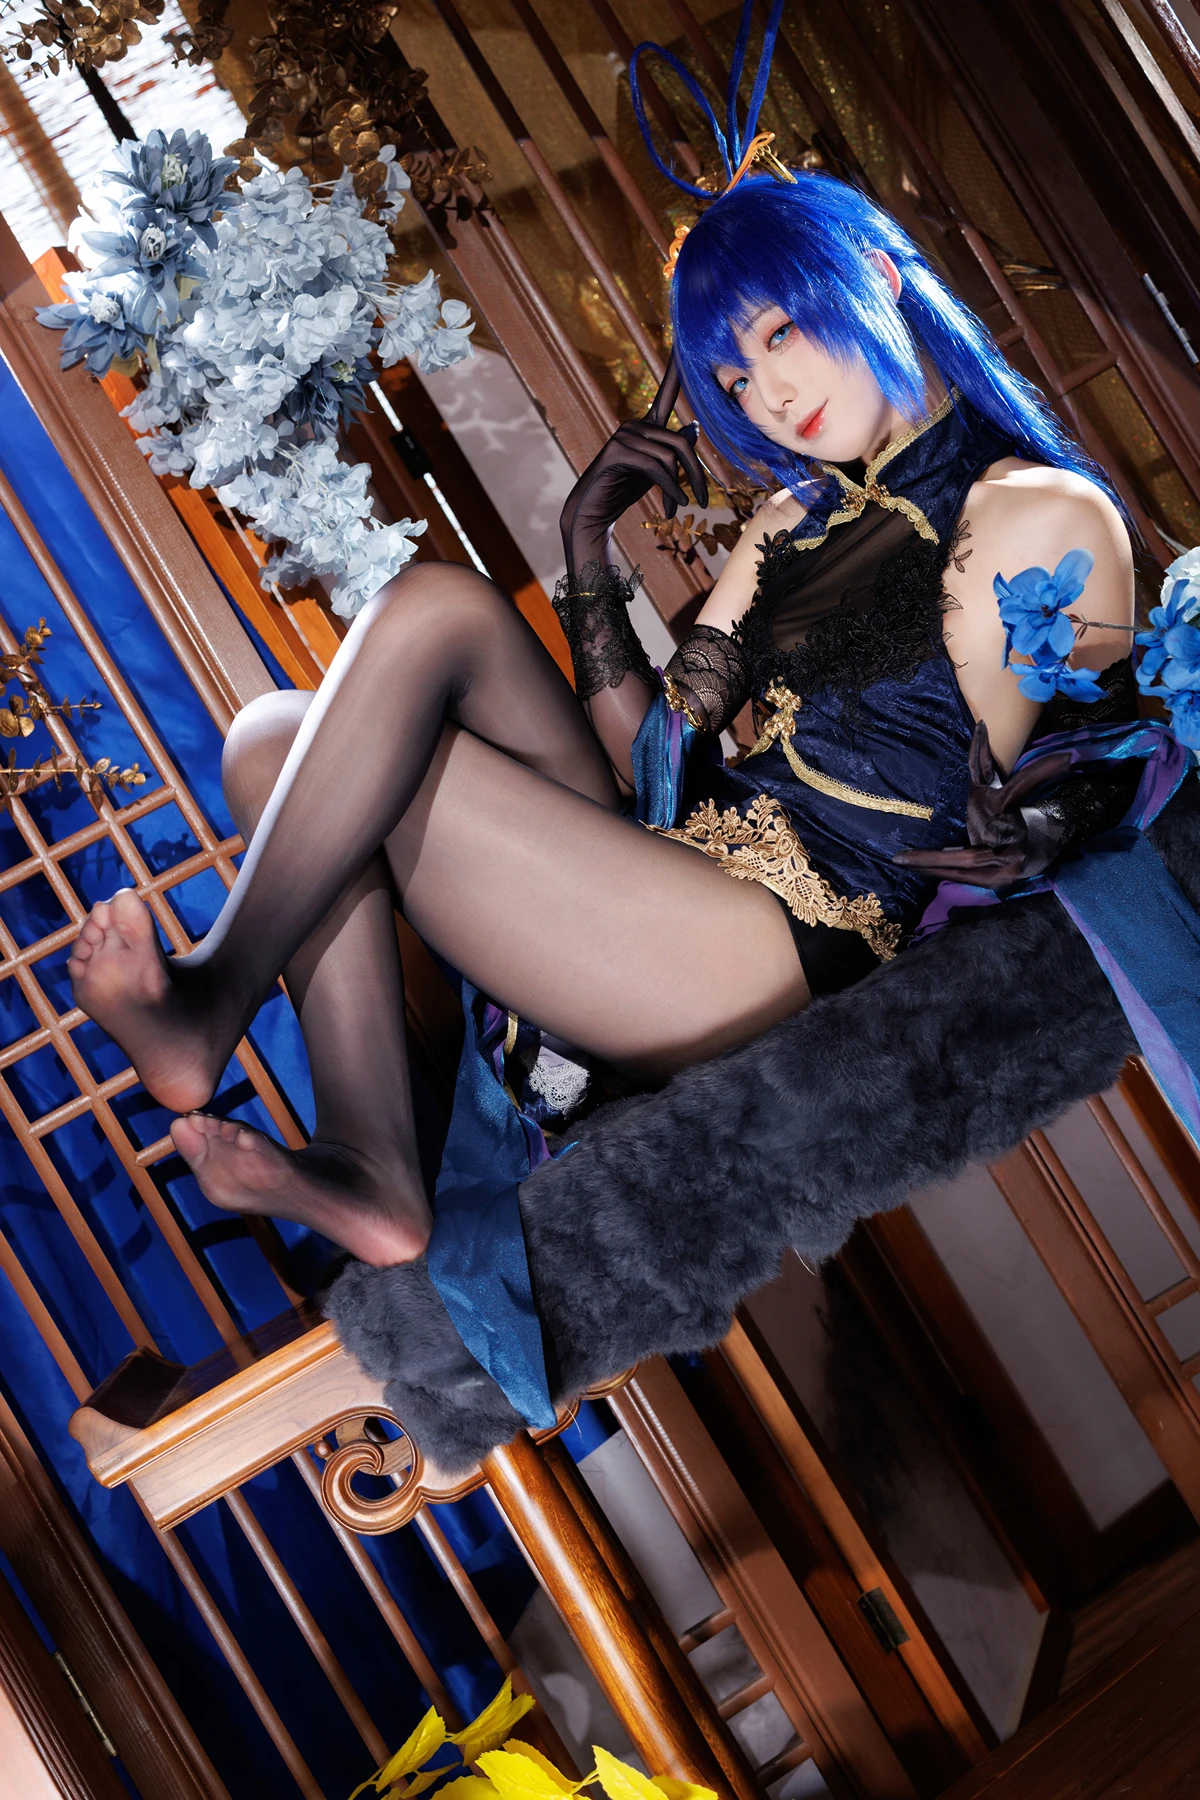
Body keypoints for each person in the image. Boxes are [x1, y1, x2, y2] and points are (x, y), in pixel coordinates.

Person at [66, 165, 1139, 1284]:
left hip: (795, 930)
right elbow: (658, 759)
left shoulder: (1035, 513)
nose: (772, 396)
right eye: (737, 375)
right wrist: (585, 541)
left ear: (875, 274)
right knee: (291, 721)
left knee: (320, 716)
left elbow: (1082, 762)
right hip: (690, 861)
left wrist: (1051, 820)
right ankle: (367, 1156)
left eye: (781, 332)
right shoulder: (793, 521)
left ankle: (216, 997)